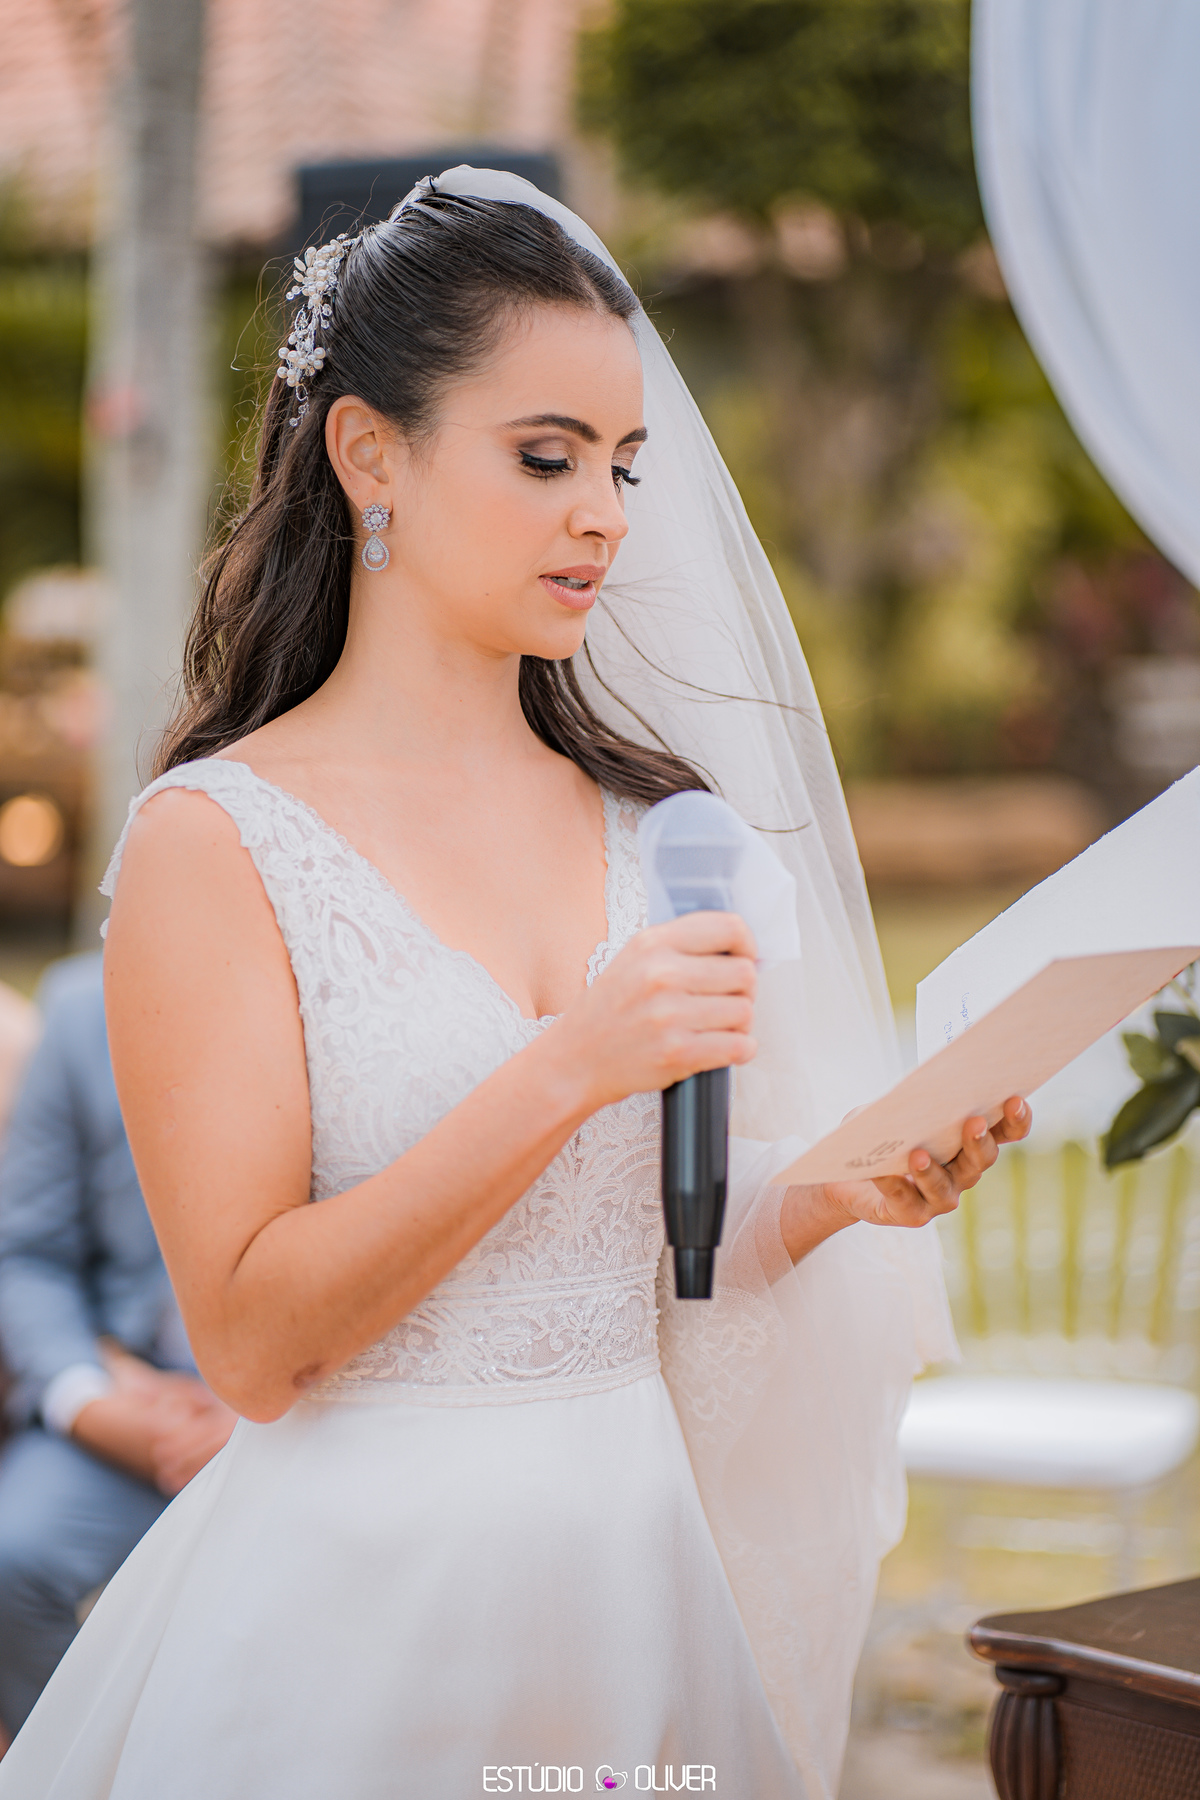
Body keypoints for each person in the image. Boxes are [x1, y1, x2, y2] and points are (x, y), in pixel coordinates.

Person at [0, 169, 1031, 1799]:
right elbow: (256, 1341)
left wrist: (842, 1193)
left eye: (622, 466)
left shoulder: (657, 829)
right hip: (360, 1622)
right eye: (547, 458)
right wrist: (569, 1065)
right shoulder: (220, 841)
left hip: (633, 1583)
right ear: (370, 453)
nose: (608, 514)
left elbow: (652, 1253)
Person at [0, 954, 235, 1743]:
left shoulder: (360, 999)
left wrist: (256, 1425)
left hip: (313, 1409)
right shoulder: (77, 1008)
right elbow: (27, 1254)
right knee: (9, 1555)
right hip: (127, 1392)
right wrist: (88, 1404)